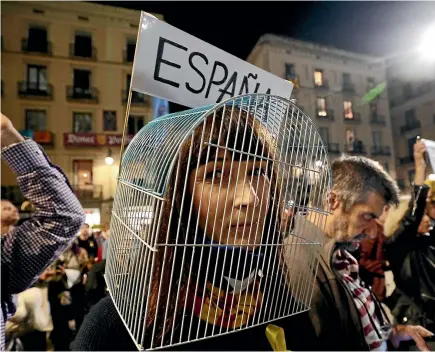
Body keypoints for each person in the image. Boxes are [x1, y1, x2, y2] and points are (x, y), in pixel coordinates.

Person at [72, 101, 323, 351]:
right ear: (181, 196)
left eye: (258, 172)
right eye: (216, 174)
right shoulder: (119, 325)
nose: (249, 198)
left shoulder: (283, 305)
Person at [303, 154, 433, 351]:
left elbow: (361, 329)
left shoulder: (340, 256)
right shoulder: (301, 268)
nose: (373, 232)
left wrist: (394, 334)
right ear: (331, 201)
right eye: (367, 216)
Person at [0, 113, 85, 350]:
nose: (12, 209)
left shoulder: (5, 254)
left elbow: (64, 217)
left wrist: (8, 134)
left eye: (11, 206)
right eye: (5, 207)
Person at [383, 141, 435, 334]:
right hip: (418, 323)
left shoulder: (428, 240)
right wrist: (420, 166)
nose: (427, 218)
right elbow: (412, 217)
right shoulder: (398, 245)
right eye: (422, 214)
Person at [358, 206, 391, 301]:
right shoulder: (373, 230)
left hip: (380, 287)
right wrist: (385, 264)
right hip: (374, 287)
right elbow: (362, 261)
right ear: (385, 209)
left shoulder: (382, 229)